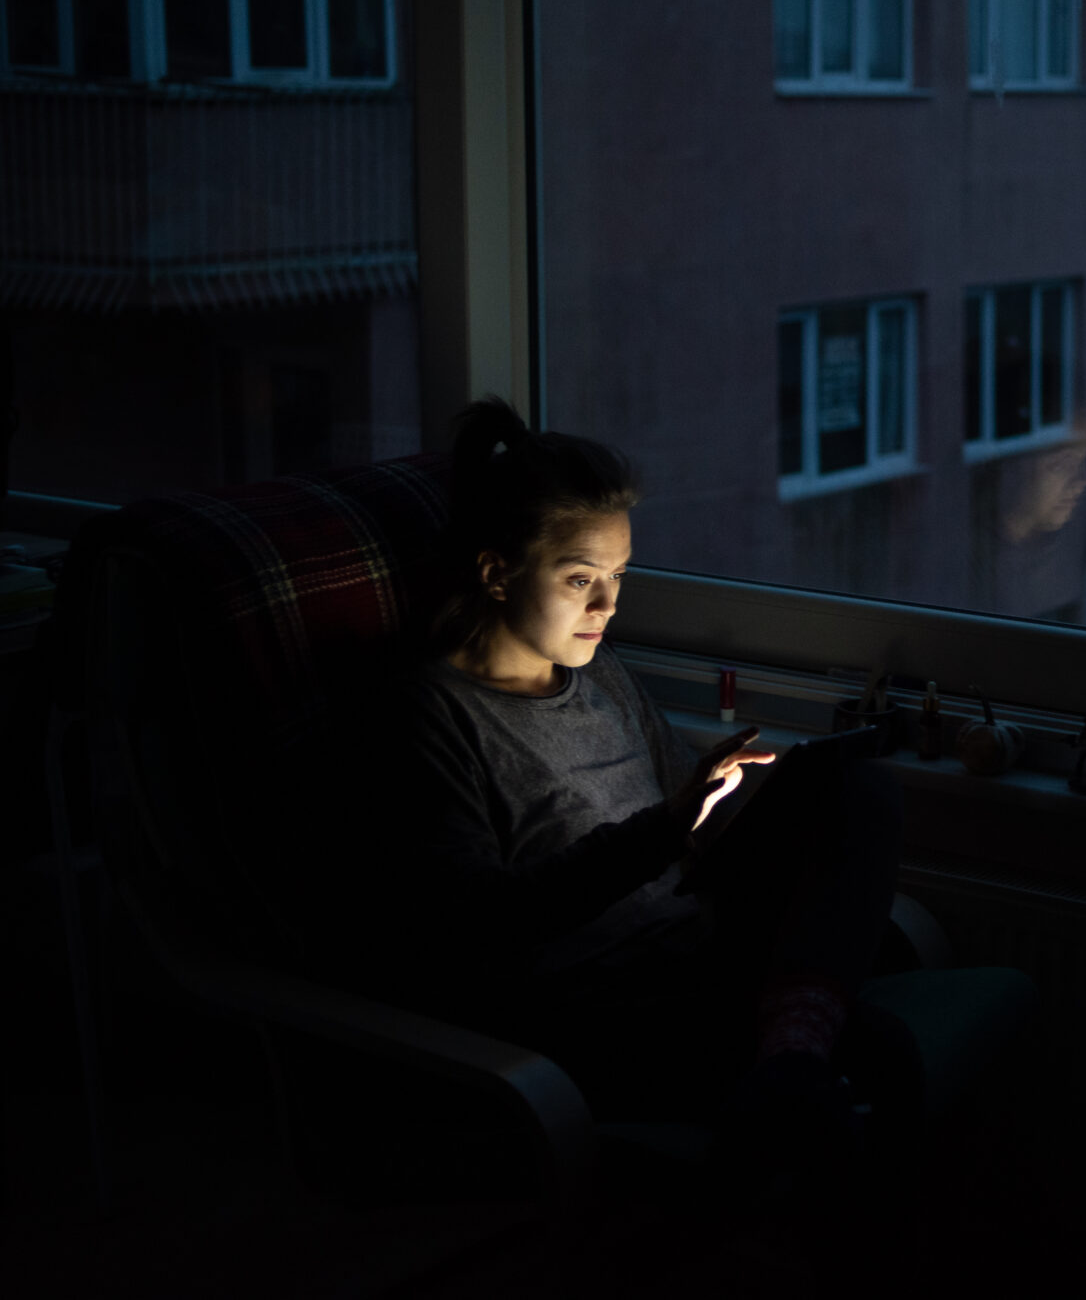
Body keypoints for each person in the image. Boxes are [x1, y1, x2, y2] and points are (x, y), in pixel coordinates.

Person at [354, 398, 912, 1167]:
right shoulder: (427, 717)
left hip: (697, 949)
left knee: (860, 789)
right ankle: (789, 1060)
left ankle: (788, 1054)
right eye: (582, 577)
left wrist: (728, 800)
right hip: (590, 1009)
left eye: (618, 574)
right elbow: (475, 926)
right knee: (872, 1056)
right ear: (495, 572)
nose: (609, 604)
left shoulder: (600, 673)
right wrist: (663, 831)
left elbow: (690, 830)